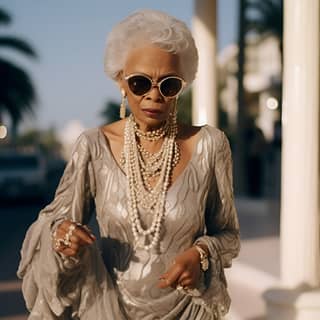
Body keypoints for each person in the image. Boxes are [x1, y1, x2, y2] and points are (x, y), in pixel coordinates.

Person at [17, 9, 240, 320]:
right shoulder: (94, 146)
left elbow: (228, 235)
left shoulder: (210, 146)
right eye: (140, 83)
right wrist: (63, 236)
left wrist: (200, 255)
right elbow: (54, 224)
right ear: (121, 81)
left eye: (169, 85)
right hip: (109, 309)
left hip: (189, 311)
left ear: (181, 87)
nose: (154, 95)